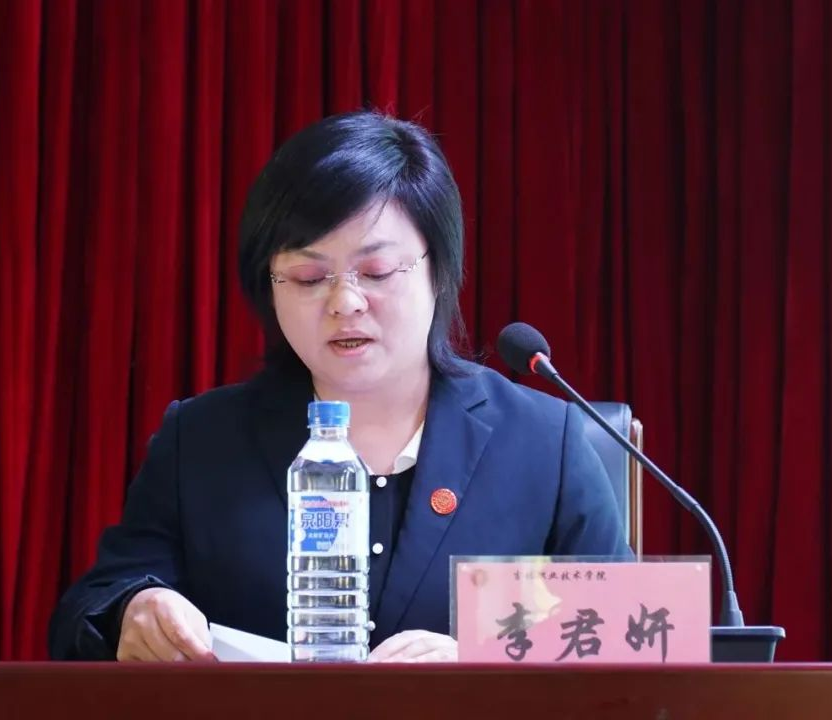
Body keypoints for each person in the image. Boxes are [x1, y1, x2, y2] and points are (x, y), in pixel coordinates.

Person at [48, 111, 629, 663]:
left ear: (439, 271)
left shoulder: (542, 442)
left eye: (376, 273)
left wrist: (488, 658)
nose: (345, 302)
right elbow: (89, 608)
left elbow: (632, 629)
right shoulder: (201, 440)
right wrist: (134, 609)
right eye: (308, 277)